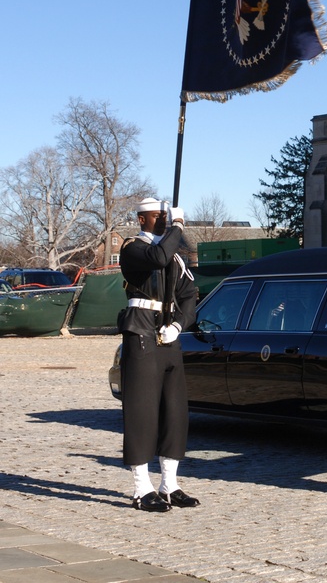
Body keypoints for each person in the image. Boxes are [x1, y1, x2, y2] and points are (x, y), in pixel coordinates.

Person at [118, 197, 199, 512]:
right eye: (158, 216)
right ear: (142, 219)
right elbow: (158, 256)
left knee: (174, 413)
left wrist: (179, 324)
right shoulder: (133, 249)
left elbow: (189, 295)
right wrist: (178, 226)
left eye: (167, 217)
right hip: (141, 333)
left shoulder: (175, 257)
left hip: (169, 337)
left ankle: (170, 484)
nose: (164, 221)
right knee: (142, 413)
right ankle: (141, 488)